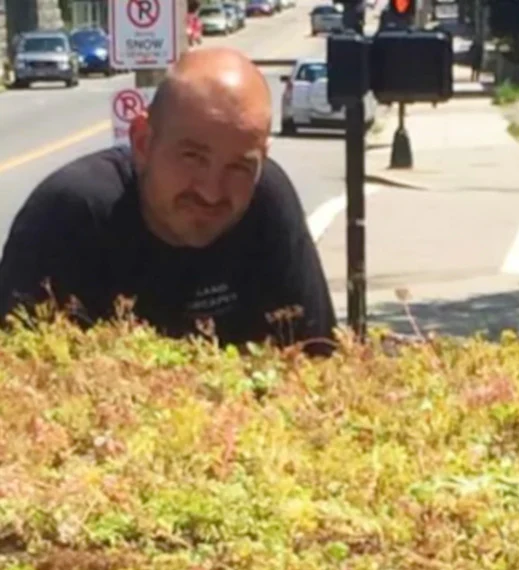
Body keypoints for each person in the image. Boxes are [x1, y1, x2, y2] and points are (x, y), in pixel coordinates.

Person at [0, 47, 338, 355]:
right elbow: (15, 376)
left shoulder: (267, 200)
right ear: (144, 143)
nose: (211, 191)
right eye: (192, 157)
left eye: (239, 166)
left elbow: (317, 360)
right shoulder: (71, 214)